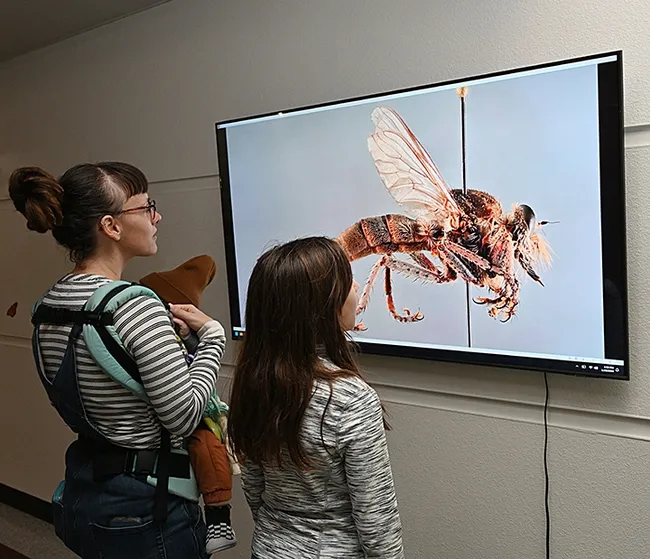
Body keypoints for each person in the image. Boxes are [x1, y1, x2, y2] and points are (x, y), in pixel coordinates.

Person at [9, 163, 225, 559]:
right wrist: (213, 337)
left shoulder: (48, 306)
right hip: (148, 506)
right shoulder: (136, 306)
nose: (156, 216)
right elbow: (183, 416)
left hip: (86, 492)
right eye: (146, 207)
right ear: (111, 226)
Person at [228, 236, 405, 559]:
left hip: (268, 549)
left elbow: (254, 488)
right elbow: (376, 522)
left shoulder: (254, 381)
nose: (355, 290)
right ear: (321, 306)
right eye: (347, 283)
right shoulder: (350, 397)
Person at [139, 255, 238, 553]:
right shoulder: (146, 336)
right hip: (164, 434)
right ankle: (218, 518)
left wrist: (195, 342)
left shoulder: (181, 339)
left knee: (209, 446)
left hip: (198, 414)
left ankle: (219, 517)